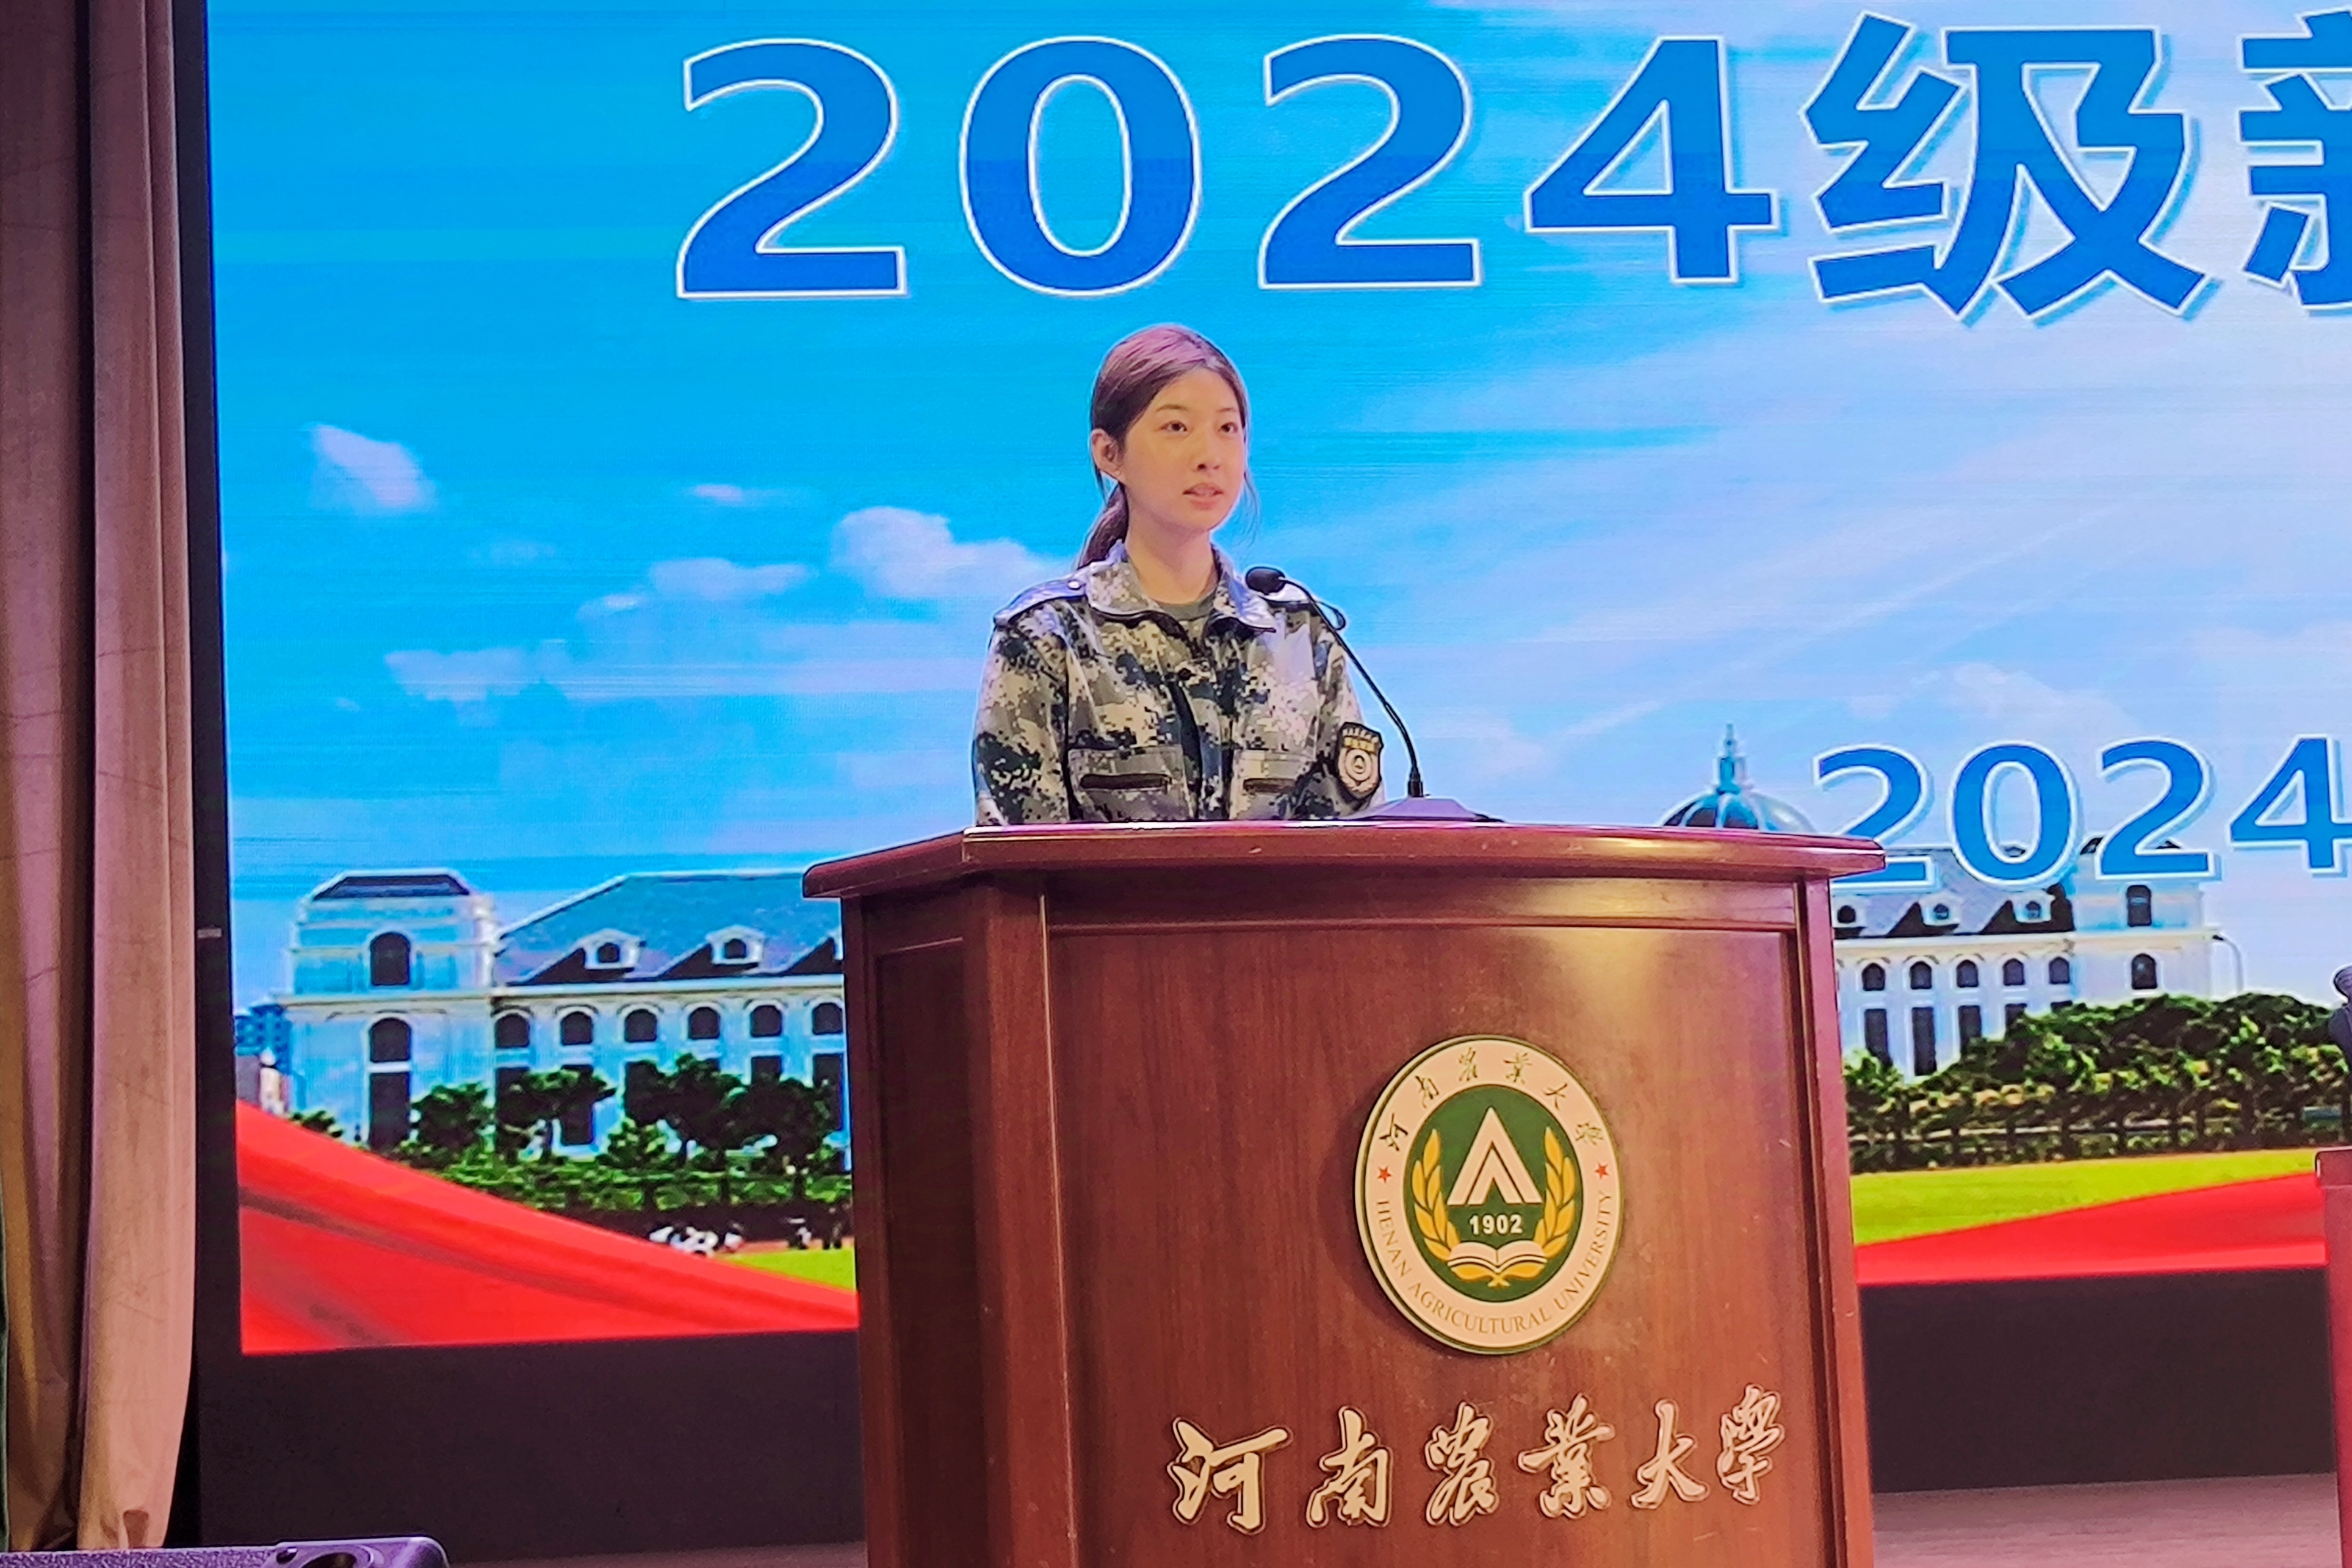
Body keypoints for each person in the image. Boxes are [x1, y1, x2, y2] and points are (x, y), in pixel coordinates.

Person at [972, 324, 1385, 824]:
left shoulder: (1300, 635)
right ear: (1109, 454)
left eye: (1227, 429)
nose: (1209, 456)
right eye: (1176, 428)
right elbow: (1020, 857)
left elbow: (1352, 848)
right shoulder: (1047, 638)